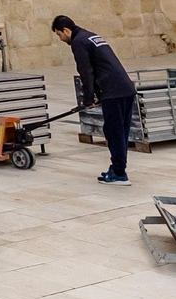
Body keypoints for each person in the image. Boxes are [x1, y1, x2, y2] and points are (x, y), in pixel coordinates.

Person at [53, 14, 136, 186]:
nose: (60, 39)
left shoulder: (78, 42)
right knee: (121, 131)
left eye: (59, 35)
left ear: (66, 30)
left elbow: (86, 72)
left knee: (114, 132)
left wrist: (88, 98)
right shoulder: (90, 35)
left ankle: (119, 174)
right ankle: (117, 168)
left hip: (113, 91)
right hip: (125, 88)